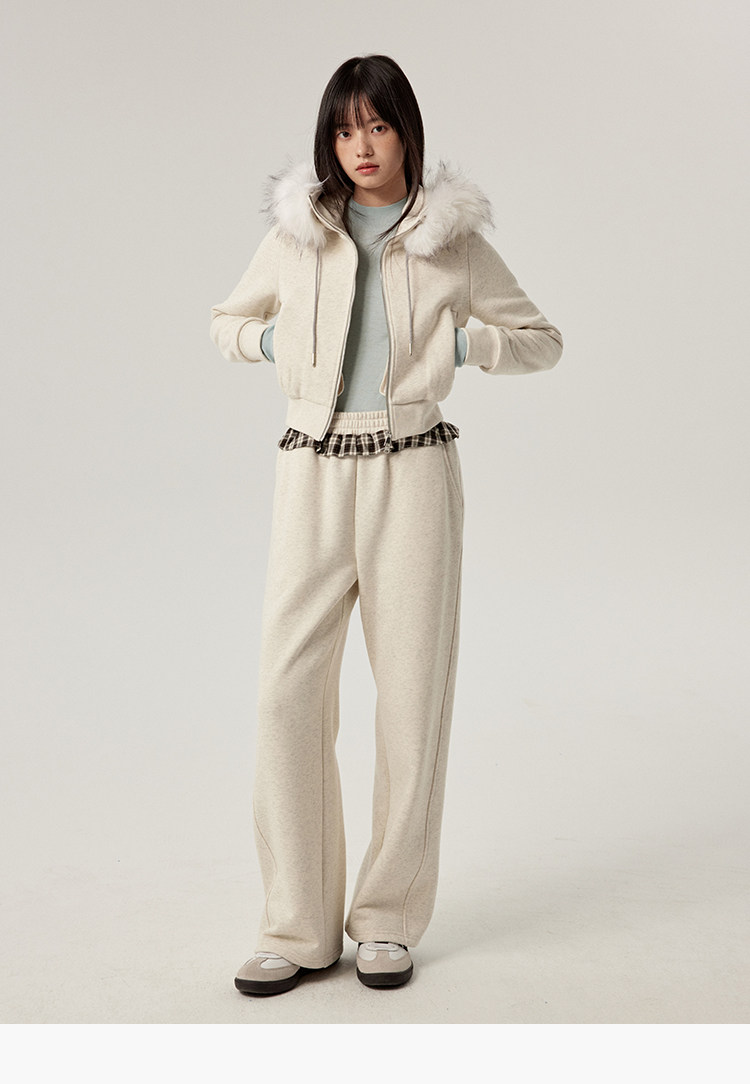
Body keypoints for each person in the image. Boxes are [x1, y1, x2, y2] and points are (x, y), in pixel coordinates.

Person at [209, 54, 563, 996]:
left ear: (406, 130)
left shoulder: (451, 242)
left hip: (413, 473)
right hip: (312, 472)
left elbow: (542, 340)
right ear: (328, 141)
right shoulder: (299, 236)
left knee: (410, 702)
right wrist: (276, 341)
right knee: (286, 698)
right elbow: (226, 323)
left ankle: (387, 919)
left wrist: (462, 343)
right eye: (344, 129)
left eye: (377, 125)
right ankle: (296, 925)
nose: (361, 146)